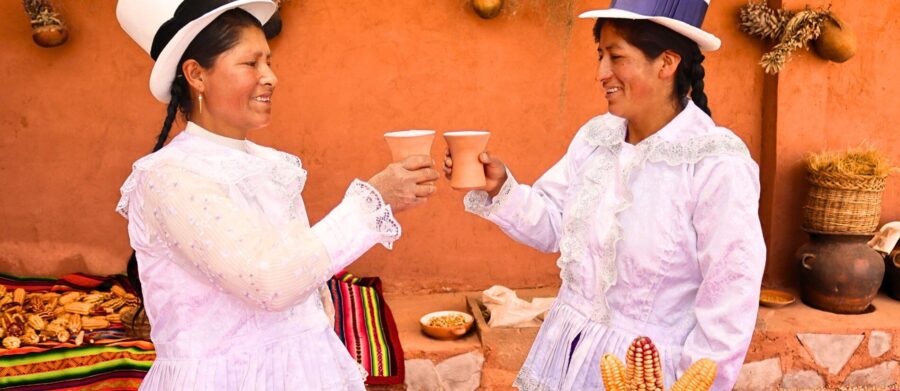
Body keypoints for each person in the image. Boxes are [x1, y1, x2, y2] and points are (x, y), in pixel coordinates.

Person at [115, 0, 437, 389]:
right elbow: (268, 282)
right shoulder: (168, 178)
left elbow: (303, 281)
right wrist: (370, 202)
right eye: (251, 63)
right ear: (196, 75)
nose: (270, 77)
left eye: (268, 61)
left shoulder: (272, 167)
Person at [444, 0, 766, 389]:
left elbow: (730, 299)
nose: (601, 73)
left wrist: (693, 383)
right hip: (566, 357)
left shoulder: (715, 165)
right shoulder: (597, 138)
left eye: (616, 57)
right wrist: (498, 186)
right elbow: (553, 224)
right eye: (600, 55)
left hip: (647, 376)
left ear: (666, 63)